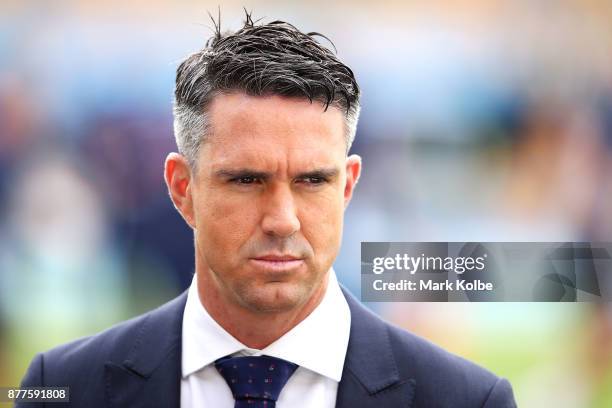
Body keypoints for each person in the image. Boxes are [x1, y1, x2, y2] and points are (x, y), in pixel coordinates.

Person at [18, 14, 517, 408]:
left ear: (347, 186)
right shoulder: (60, 388)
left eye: (312, 181)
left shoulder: (468, 399)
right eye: (246, 180)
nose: (283, 219)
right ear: (181, 188)